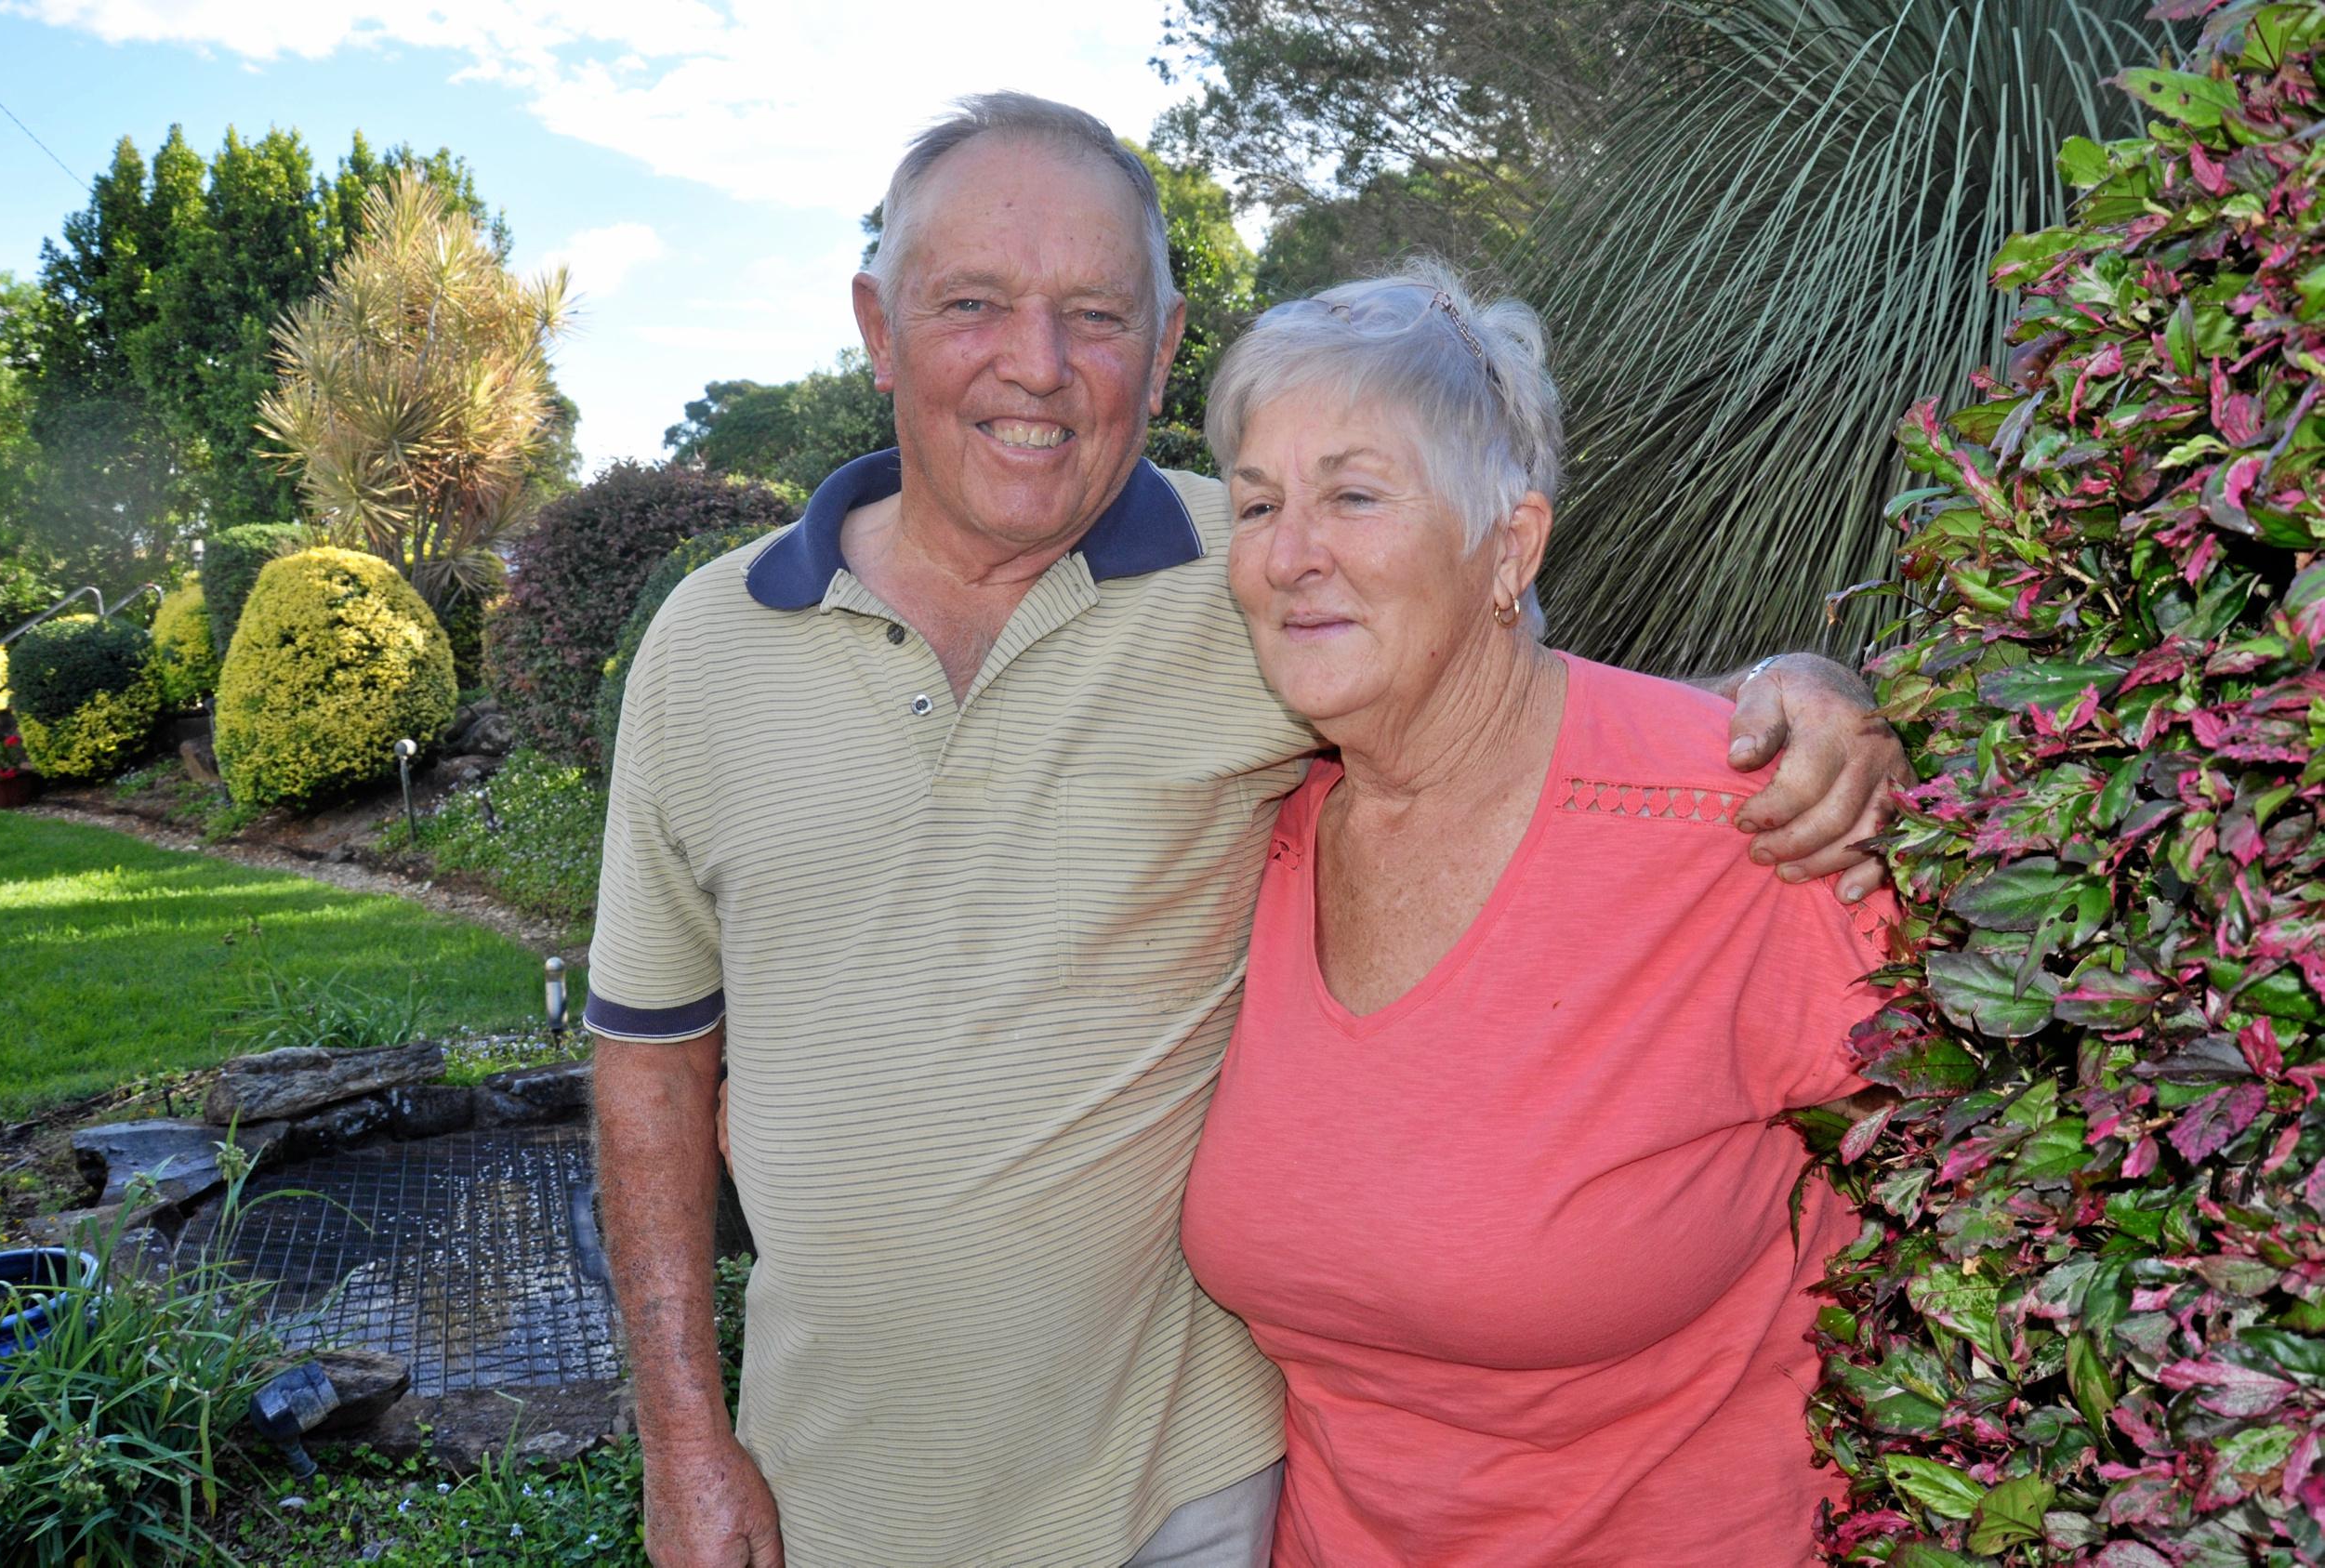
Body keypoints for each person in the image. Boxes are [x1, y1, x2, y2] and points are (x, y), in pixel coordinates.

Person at [588, 93, 1907, 1568]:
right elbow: (649, 1056)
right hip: (834, 1487)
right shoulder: (710, 650)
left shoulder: (1257, 578)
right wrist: (682, 1440)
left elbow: (1515, 698)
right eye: (972, 305)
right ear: (877, 327)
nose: (1036, 366)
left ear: (1158, 353)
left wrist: (1796, 702)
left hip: (1186, 1502)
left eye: (1093, 314)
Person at [1178, 264, 1896, 1567]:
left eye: (1352, 493)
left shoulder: (1747, 827)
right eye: (1257, 503)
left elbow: (2011, 1192)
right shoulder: (1266, 836)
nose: (1289, 555)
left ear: (1508, 547)